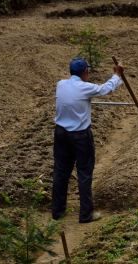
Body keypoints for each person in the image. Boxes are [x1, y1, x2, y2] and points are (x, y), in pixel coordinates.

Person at [52, 57, 123, 223]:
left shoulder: (61, 84)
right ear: (85, 72)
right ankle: (86, 214)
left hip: (61, 133)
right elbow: (106, 89)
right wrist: (117, 75)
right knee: (84, 173)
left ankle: (57, 211)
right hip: (80, 136)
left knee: (61, 171)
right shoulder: (85, 88)